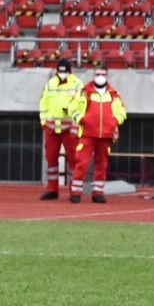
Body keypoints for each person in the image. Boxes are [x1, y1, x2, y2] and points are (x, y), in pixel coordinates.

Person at [74, 66, 127, 203]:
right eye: (98, 74)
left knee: (102, 164)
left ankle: (98, 192)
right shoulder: (85, 92)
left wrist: (115, 121)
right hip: (87, 133)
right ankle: (76, 192)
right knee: (82, 162)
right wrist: (81, 119)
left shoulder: (114, 94)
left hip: (105, 135)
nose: (100, 76)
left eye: (103, 74)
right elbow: (74, 108)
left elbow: (121, 111)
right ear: (93, 75)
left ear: (107, 76)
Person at [38, 58, 84, 200]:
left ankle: (74, 191)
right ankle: (52, 189)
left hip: (70, 129)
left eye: (64, 72)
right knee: (51, 159)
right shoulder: (50, 83)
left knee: (73, 160)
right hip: (51, 129)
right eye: (59, 72)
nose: (62, 74)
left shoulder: (77, 84)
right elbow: (43, 103)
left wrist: (75, 124)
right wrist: (44, 121)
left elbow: (81, 105)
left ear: (70, 71)